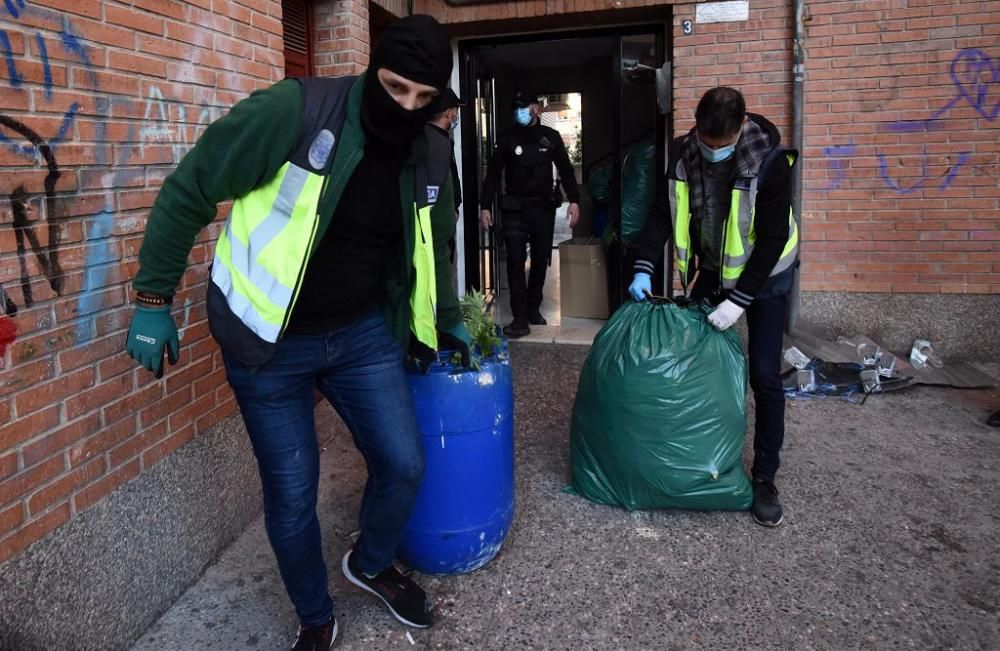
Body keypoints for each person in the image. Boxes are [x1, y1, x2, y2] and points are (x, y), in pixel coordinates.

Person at [124, 16, 471, 650]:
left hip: (361, 334)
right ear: (372, 70)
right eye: (395, 89)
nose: (407, 108)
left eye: (424, 98)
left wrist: (447, 317)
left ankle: (368, 564)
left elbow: (434, 243)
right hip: (268, 344)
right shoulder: (295, 111)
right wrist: (152, 298)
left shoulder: (426, 148)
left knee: (403, 464)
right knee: (291, 496)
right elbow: (192, 186)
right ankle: (315, 616)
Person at [628, 87, 800, 528]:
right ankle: (697, 454)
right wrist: (645, 265)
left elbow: (773, 239)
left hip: (766, 280)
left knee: (763, 374)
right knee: (696, 361)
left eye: (721, 146)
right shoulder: (684, 154)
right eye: (707, 142)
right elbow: (662, 214)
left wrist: (739, 301)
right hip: (713, 272)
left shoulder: (771, 162)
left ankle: (765, 478)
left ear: (741, 125)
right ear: (697, 126)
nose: (713, 151)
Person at [479, 91, 581, 338]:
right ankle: (520, 318)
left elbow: (567, 170)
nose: (519, 112)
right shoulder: (506, 138)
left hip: (543, 209)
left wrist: (574, 201)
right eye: (516, 108)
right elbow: (492, 174)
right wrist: (485, 206)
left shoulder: (550, 137)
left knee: (540, 260)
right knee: (514, 260)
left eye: (524, 107)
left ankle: (533, 307)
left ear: (536, 108)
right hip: (514, 209)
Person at [426, 87, 465, 219]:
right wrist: (448, 212)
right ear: (449, 113)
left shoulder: (442, 138)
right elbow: (433, 186)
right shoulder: (434, 142)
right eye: (456, 110)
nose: (457, 115)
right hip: (437, 219)